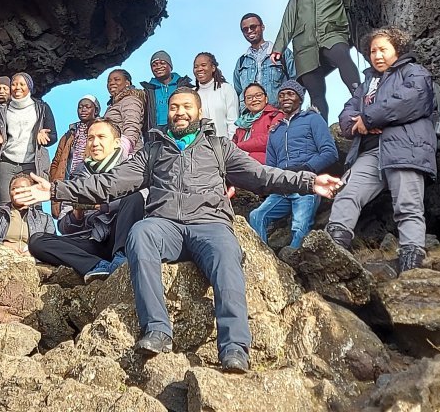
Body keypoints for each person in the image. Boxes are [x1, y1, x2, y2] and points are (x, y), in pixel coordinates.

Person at [21, 88, 342, 373]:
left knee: (228, 252)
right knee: (141, 233)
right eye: (174, 106)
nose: (179, 111)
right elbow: (111, 183)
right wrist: (54, 191)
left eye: (186, 106)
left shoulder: (219, 147)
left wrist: (309, 181)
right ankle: (157, 329)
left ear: (199, 112)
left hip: (210, 225)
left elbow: (262, 176)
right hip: (166, 227)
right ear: (168, 112)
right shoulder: (153, 150)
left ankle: (234, 347)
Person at [326, 27, 436, 274]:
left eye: (383, 49)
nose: (377, 55)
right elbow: (346, 113)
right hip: (371, 153)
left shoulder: (413, 71)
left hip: (405, 148)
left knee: (408, 205)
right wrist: (359, 122)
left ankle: (412, 266)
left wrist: (370, 118)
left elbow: (413, 99)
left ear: (397, 49)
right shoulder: (367, 83)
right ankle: (332, 253)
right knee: (346, 193)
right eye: (373, 51)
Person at [271, 0, 394, 121]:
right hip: (304, 48)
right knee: (316, 93)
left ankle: (361, 101)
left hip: (332, 35)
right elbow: (287, 24)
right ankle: (321, 131)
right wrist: (278, 48)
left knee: (341, 55)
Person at [29, 119, 145, 282]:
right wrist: (78, 213)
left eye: (101, 137)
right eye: (90, 138)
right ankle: (98, 266)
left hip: (122, 236)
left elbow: (144, 198)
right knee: (37, 241)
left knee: (134, 198)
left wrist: (101, 206)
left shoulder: (132, 166)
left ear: (117, 143)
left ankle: (121, 259)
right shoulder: (79, 174)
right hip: (93, 240)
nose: (95, 143)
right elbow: (64, 226)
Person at [248, 81, 338, 248]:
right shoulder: (275, 131)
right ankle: (265, 260)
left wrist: (306, 169)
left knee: (299, 226)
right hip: (283, 188)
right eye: (281, 95)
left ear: (300, 98)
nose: (285, 98)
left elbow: (330, 152)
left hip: (307, 184)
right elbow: (270, 166)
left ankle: (293, 265)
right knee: (256, 215)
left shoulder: (313, 119)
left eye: (290, 94)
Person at [0, 73, 57, 205]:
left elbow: (53, 136)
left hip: (32, 164)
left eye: (22, 84)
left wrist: (43, 135)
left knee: (32, 205)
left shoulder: (41, 108)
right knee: (5, 205)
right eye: (14, 84)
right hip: (6, 163)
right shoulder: (1, 110)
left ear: (29, 87)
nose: (17, 87)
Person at [0, 172, 55, 254]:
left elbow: (53, 245)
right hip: (1, 259)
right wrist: (4, 244)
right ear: (9, 192)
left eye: (23, 188)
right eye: (14, 188)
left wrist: (34, 252)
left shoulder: (45, 219)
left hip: (34, 261)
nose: (18, 191)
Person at [49, 95, 100, 216]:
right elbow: (56, 162)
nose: (83, 110)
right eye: (80, 107)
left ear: (96, 110)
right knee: (67, 220)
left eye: (87, 107)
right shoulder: (69, 135)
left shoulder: (101, 131)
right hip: (67, 184)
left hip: (88, 185)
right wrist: (54, 181)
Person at [233, 14, 295, 111]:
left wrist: (288, 111)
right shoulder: (241, 62)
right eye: (245, 29)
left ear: (262, 27)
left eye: (253, 27)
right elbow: (237, 92)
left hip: (278, 116)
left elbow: (296, 83)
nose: (249, 31)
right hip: (249, 119)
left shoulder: (281, 52)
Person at [140, 52, 192, 133]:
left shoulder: (184, 86)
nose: (158, 66)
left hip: (180, 129)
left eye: (162, 63)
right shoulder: (148, 91)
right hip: (155, 134)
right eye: (154, 65)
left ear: (170, 66)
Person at [232, 83, 284, 164]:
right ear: (245, 103)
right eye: (249, 98)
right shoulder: (241, 123)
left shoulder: (276, 116)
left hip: (266, 166)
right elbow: (231, 147)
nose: (254, 99)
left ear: (266, 99)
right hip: (240, 165)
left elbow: (270, 140)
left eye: (258, 95)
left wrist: (239, 146)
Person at [193, 53, 238, 138]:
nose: (199, 69)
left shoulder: (226, 89)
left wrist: (231, 145)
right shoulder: (192, 94)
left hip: (225, 146)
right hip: (200, 148)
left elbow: (233, 121)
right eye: (196, 67)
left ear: (213, 68)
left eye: (203, 65)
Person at [104, 69, 145, 156]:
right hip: (113, 153)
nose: (111, 83)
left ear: (127, 83)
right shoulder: (114, 104)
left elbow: (132, 127)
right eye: (109, 81)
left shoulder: (130, 100)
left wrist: (123, 151)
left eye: (117, 79)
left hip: (128, 156)